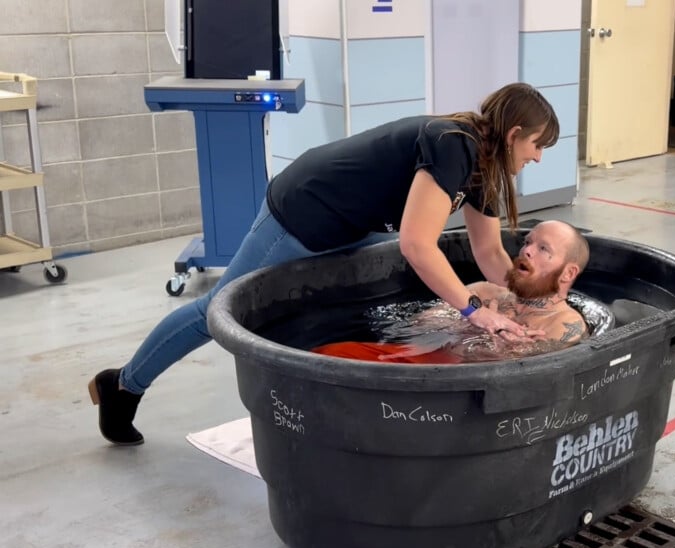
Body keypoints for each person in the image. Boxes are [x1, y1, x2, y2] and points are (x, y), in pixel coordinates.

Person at [87, 82, 560, 447]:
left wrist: (529, 305)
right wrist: (476, 311)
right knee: (217, 311)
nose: (538, 158)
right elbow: (418, 245)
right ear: (514, 133)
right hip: (303, 211)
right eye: (538, 145)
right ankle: (122, 386)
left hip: (352, 222)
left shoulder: (483, 166)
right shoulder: (454, 143)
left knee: (366, 292)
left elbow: (489, 254)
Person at [313, 219, 590, 364]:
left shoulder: (565, 324)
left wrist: (506, 350)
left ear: (568, 273)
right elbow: (418, 326)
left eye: (543, 249)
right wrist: (471, 324)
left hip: (471, 398)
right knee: (328, 355)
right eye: (528, 242)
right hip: (427, 364)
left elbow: (535, 380)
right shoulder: (483, 292)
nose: (526, 250)